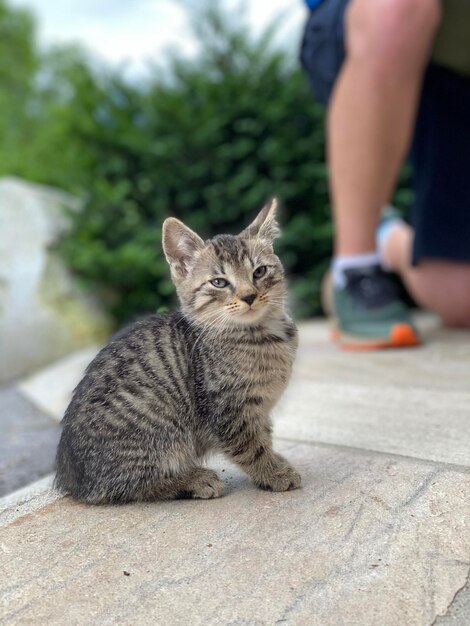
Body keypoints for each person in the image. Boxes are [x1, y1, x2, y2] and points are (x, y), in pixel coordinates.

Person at [300, 0, 470, 350]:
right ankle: (356, 268)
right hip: (367, 25)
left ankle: (388, 237)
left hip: (459, 63)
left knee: (460, 296)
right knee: (397, 7)